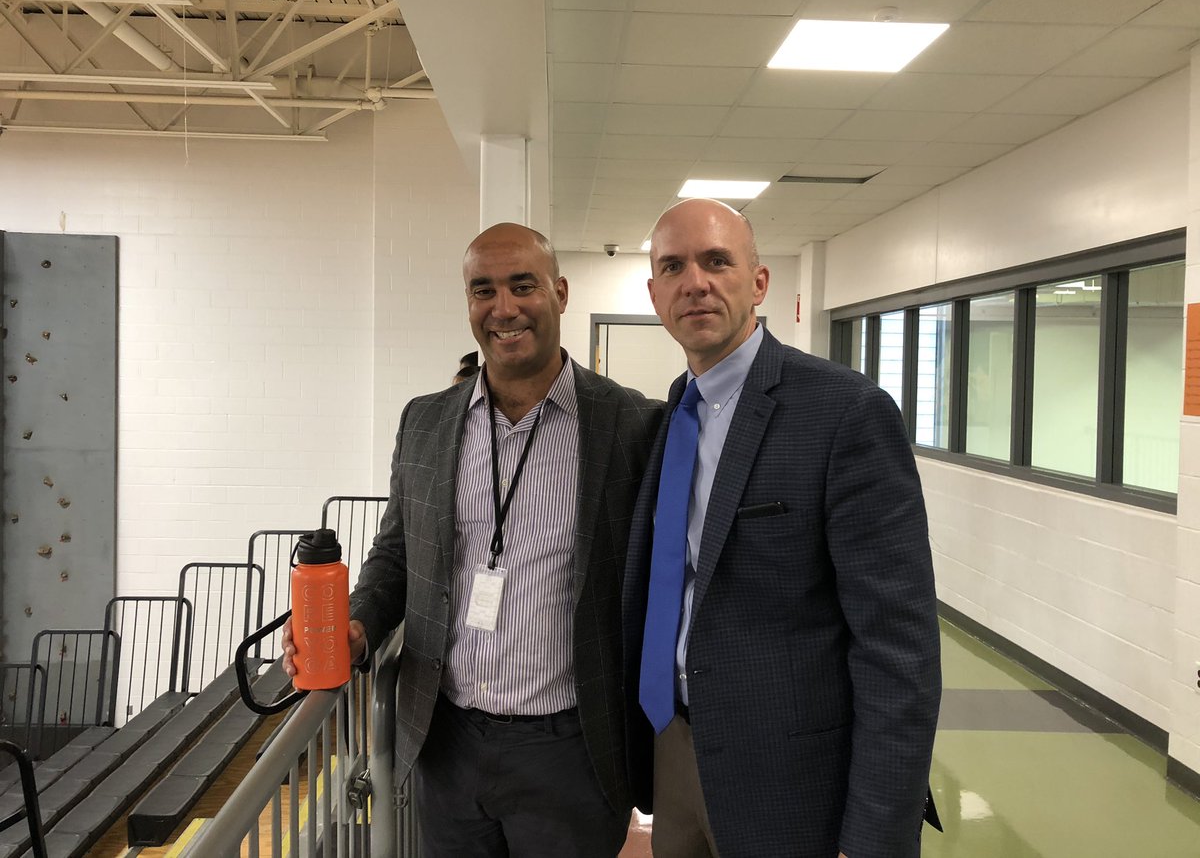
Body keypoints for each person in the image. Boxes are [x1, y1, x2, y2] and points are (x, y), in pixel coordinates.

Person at [285, 222, 662, 857]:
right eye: (482, 290)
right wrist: (358, 625)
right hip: (447, 741)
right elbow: (397, 553)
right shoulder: (426, 421)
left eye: (524, 286)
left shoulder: (633, 423)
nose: (504, 308)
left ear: (561, 292)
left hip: (574, 749)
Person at [622, 199, 941, 858]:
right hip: (674, 750)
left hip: (794, 779)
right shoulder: (670, 418)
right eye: (673, 267)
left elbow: (898, 649)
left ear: (758, 282)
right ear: (655, 293)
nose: (696, 282)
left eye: (717, 261)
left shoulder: (843, 414)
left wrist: (876, 833)